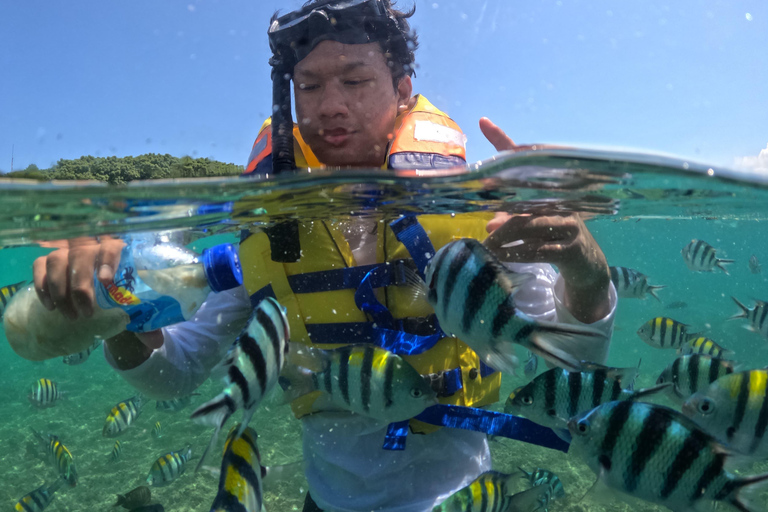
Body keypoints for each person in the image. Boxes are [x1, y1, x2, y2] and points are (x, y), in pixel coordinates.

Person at [20, 1, 616, 510]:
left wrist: (584, 265)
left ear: (404, 91)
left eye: (355, 81)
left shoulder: (477, 209)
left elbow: (569, 357)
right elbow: (174, 370)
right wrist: (117, 310)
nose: (330, 105)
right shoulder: (269, 228)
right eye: (309, 86)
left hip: (462, 498)